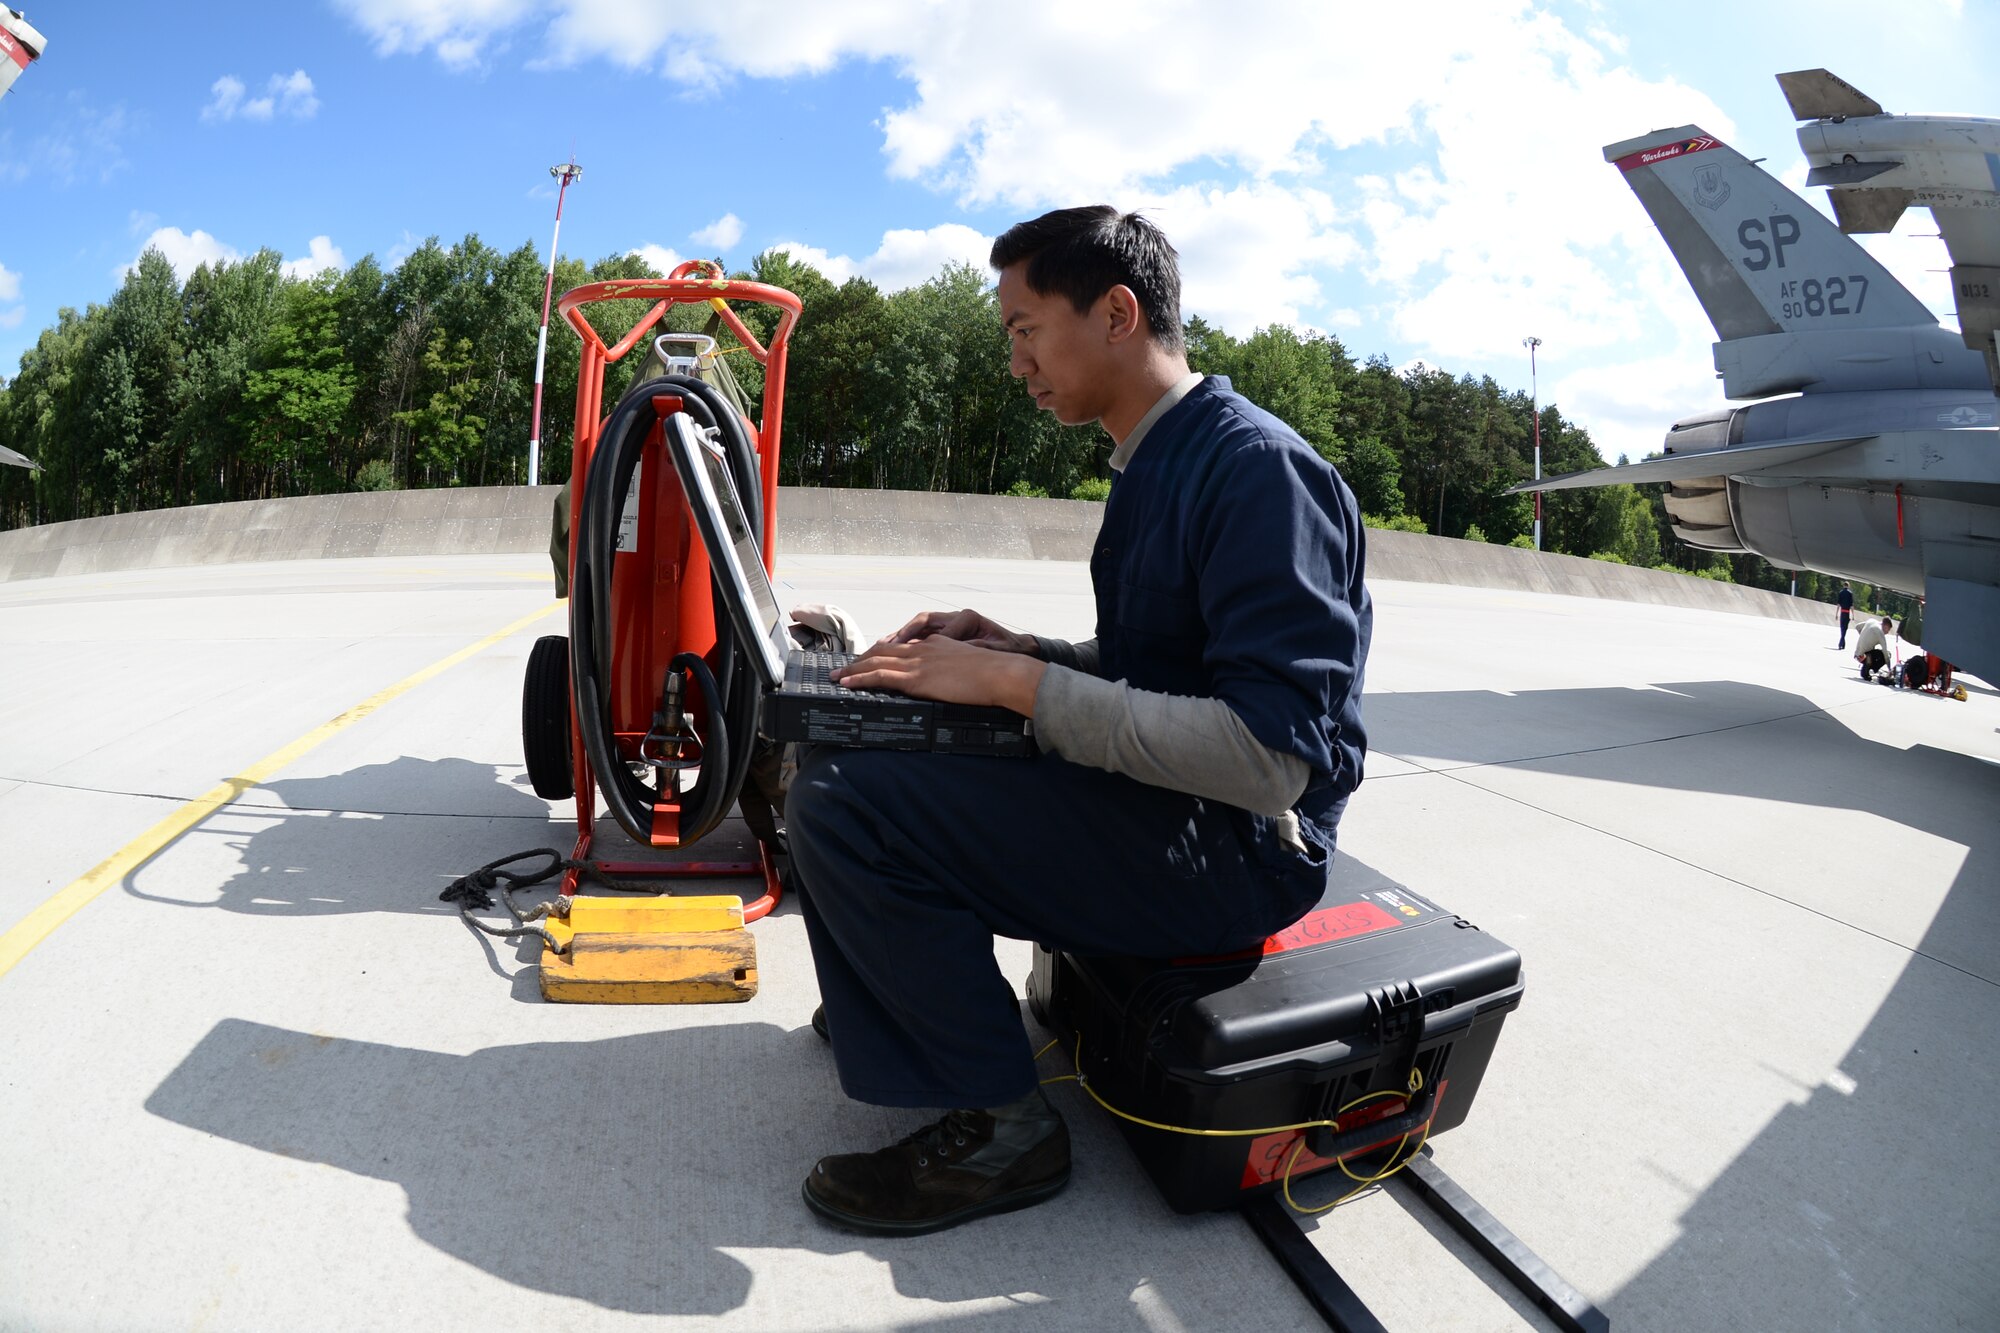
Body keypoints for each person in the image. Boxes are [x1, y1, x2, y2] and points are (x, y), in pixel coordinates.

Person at [784, 206, 1371, 1236]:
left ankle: (1005, 1127)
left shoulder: (1254, 470)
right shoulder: (1157, 460)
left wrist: (1017, 691)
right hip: (1172, 813)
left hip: (1236, 853)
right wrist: (1024, 654)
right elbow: (1163, 671)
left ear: (1114, 312)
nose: (1015, 362)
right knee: (847, 738)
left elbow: (1272, 754)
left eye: (1023, 329)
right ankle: (911, 1003)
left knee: (850, 802)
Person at [1853, 616, 1892, 681]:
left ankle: (1867, 666)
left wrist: (1864, 638)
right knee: (1887, 654)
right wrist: (1889, 669)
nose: (1887, 632)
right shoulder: (1880, 634)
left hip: (1857, 654)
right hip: (1865, 657)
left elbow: (1857, 627)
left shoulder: (1871, 621)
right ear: (1885, 626)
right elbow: (1886, 655)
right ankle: (1867, 669)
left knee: (1873, 652)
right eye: (1888, 630)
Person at [1835, 582, 1854, 649]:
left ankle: (1842, 643)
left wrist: (1836, 614)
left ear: (1843, 586)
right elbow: (1851, 606)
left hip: (1842, 612)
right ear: (1848, 586)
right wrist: (1853, 615)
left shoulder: (1841, 593)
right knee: (1845, 628)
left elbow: (1838, 605)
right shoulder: (1850, 593)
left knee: (1842, 628)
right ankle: (1841, 643)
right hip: (1847, 613)